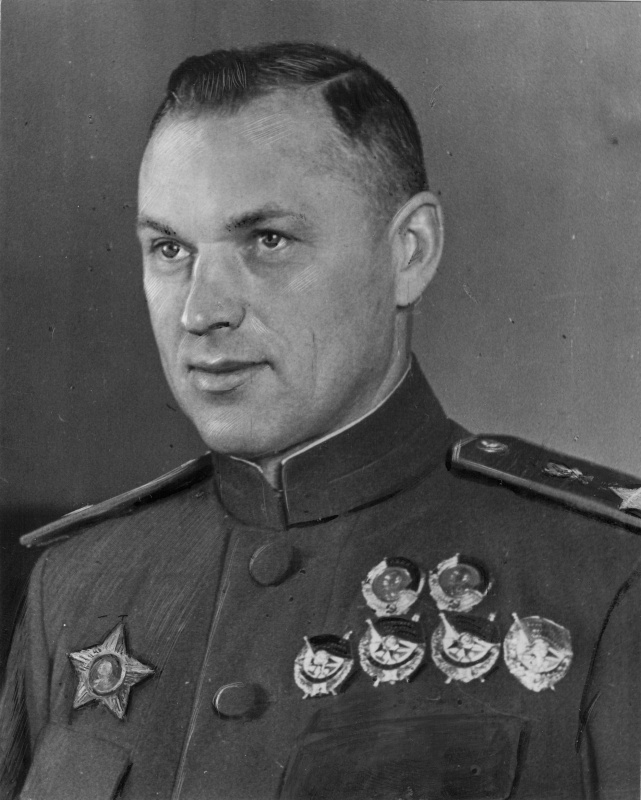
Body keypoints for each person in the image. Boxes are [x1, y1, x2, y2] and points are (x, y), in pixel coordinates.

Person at [0, 41, 640, 800]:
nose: (201, 312)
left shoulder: (606, 582)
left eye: (267, 241)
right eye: (169, 248)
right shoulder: (76, 588)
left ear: (410, 252)